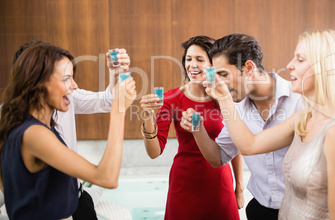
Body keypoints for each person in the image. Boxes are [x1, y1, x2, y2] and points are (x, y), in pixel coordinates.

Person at [192, 30, 335, 219]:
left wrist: (223, 99)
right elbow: (249, 146)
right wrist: (214, 110)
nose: (289, 66)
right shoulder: (303, 117)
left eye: (300, 59)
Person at [0, 42, 136, 219]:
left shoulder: (23, 125)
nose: (75, 86)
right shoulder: (34, 134)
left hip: (75, 202)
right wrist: (119, 110)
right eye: (66, 78)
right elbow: (107, 178)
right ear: (38, 82)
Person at [180, 33, 302, 220]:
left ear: (249, 67)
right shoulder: (236, 107)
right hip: (261, 210)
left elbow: (249, 146)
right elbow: (218, 158)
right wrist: (197, 130)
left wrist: (223, 99)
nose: (219, 82)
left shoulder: (300, 102)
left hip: (301, 211)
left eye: (223, 74)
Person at [140, 35, 243, 220]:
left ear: (213, 65)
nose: (192, 65)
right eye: (188, 59)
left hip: (220, 183)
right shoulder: (171, 99)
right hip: (184, 185)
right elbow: (154, 152)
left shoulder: (224, 97)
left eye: (199, 59)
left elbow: (236, 143)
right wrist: (148, 118)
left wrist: (239, 187)